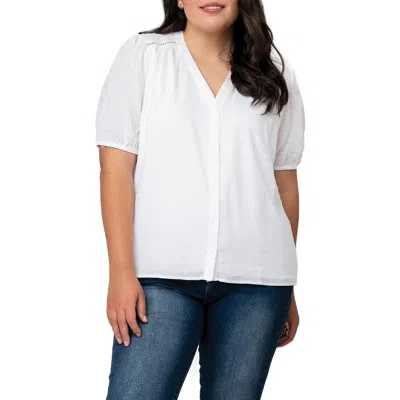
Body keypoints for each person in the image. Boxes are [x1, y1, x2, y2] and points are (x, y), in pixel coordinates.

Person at [95, 0, 305, 399]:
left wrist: (286, 285)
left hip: (258, 286)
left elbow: (284, 184)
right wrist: (120, 273)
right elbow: (116, 171)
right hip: (159, 277)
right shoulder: (143, 56)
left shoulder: (274, 72)